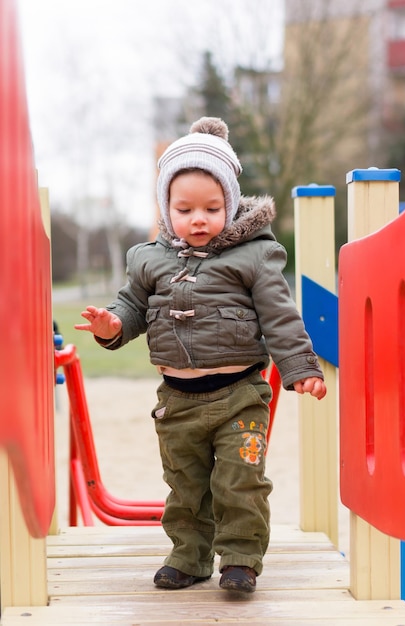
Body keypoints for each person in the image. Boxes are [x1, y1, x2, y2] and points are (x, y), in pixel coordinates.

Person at [75, 117, 326, 594]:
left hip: (239, 397)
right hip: (177, 401)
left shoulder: (254, 256)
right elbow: (130, 306)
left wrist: (299, 369)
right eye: (184, 208)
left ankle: (240, 559)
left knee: (239, 480)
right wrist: (112, 325)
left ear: (229, 206)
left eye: (212, 208)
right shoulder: (148, 259)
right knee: (185, 485)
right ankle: (189, 556)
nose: (198, 219)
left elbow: (280, 315)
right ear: (165, 208)